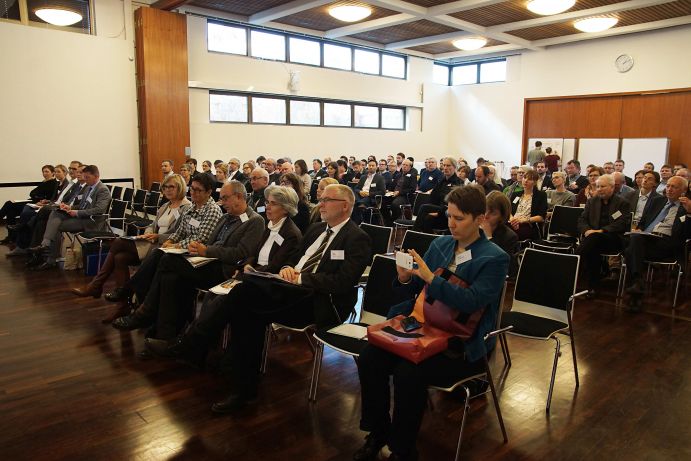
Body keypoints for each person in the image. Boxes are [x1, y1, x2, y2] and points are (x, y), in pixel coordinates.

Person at [354, 185, 509, 461]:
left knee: (408, 372)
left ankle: (403, 450)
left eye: (459, 218)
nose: (451, 223)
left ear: (479, 218)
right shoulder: (441, 245)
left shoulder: (494, 257)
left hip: (459, 344)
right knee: (369, 357)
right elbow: (416, 292)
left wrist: (430, 278)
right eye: (449, 216)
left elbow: (471, 302)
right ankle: (378, 432)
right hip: (423, 328)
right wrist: (405, 278)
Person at [206, 184, 370, 413]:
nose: (320, 204)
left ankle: (209, 350)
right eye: (321, 199)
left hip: (318, 301)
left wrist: (301, 278)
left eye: (327, 200)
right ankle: (240, 380)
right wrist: (286, 268)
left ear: (345, 206)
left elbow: (342, 282)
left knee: (245, 297)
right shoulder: (316, 229)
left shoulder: (357, 238)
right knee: (247, 304)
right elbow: (293, 257)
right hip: (288, 290)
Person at [144, 185, 304, 362]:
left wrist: (247, 271)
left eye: (273, 203)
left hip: (264, 282)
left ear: (286, 208)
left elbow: (274, 266)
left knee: (217, 296)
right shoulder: (270, 225)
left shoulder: (290, 233)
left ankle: (183, 342)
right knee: (198, 288)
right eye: (267, 202)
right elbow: (254, 254)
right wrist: (245, 266)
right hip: (249, 275)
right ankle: (189, 346)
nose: (267, 206)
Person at [113, 181, 264, 339]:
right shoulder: (226, 217)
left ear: (239, 197)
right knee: (170, 277)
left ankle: (144, 312)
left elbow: (241, 253)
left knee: (167, 260)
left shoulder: (255, 220)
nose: (222, 202)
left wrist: (206, 250)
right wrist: (197, 248)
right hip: (206, 262)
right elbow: (208, 241)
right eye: (221, 198)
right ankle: (163, 334)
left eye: (225, 198)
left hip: (224, 270)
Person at [71, 174, 192, 322]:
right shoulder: (165, 206)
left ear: (180, 187)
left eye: (171, 186)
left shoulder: (186, 207)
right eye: (165, 187)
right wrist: (148, 233)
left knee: (118, 243)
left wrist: (157, 237)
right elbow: (152, 225)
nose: (167, 190)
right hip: (151, 241)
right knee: (119, 258)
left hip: (163, 246)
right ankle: (122, 307)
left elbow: (179, 234)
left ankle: (96, 285)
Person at [108, 173, 224, 310]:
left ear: (209, 192)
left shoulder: (212, 210)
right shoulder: (192, 207)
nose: (193, 192)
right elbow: (179, 231)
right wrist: (170, 240)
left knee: (158, 255)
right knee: (127, 256)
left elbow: (201, 238)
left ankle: (133, 295)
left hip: (196, 254)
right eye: (192, 188)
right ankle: (139, 301)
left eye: (198, 190)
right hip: (181, 248)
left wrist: (174, 244)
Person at [624, 176, 690, 312]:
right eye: (668, 186)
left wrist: (689, 213)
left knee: (632, 249)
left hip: (668, 244)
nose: (669, 189)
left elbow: (688, 234)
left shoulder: (687, 207)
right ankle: (637, 287)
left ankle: (637, 283)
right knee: (634, 241)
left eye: (674, 187)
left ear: (683, 191)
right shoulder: (656, 201)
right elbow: (643, 222)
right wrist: (638, 229)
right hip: (647, 240)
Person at [30, 165, 111, 271]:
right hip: (82, 217)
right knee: (55, 212)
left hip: (91, 221)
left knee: (56, 226)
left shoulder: (102, 190)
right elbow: (81, 205)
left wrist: (77, 212)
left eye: (87, 177)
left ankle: (49, 256)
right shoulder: (89, 188)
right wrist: (69, 207)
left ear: (96, 176)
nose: (85, 180)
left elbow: (98, 210)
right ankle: (46, 246)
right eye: (85, 177)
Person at [577, 174, 631, 298]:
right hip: (593, 239)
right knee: (592, 248)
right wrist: (587, 230)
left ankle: (573, 261)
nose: (599, 189)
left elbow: (622, 223)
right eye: (598, 186)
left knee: (593, 240)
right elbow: (582, 220)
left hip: (613, 239)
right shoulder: (592, 201)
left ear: (612, 187)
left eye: (603, 186)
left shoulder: (622, 203)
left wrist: (601, 231)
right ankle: (593, 288)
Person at [413, 157, 460, 233]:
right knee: (426, 216)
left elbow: (453, 203)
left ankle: (414, 234)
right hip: (438, 208)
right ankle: (419, 235)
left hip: (448, 213)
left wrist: (439, 213)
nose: (445, 168)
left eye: (448, 165)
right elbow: (433, 197)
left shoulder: (458, 183)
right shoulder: (442, 181)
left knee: (425, 210)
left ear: (454, 167)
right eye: (444, 165)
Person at [482, 190, 519, 275]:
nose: (486, 216)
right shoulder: (474, 227)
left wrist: (488, 238)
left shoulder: (509, 237)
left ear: (502, 217)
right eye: (485, 210)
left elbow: (505, 268)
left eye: (493, 213)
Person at [509, 169, 547, 241]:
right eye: (524, 178)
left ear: (535, 182)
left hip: (528, 224)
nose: (525, 180)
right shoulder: (516, 194)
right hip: (513, 222)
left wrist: (523, 220)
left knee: (514, 233)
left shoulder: (541, 195)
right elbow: (508, 211)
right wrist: (512, 219)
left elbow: (541, 217)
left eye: (529, 179)